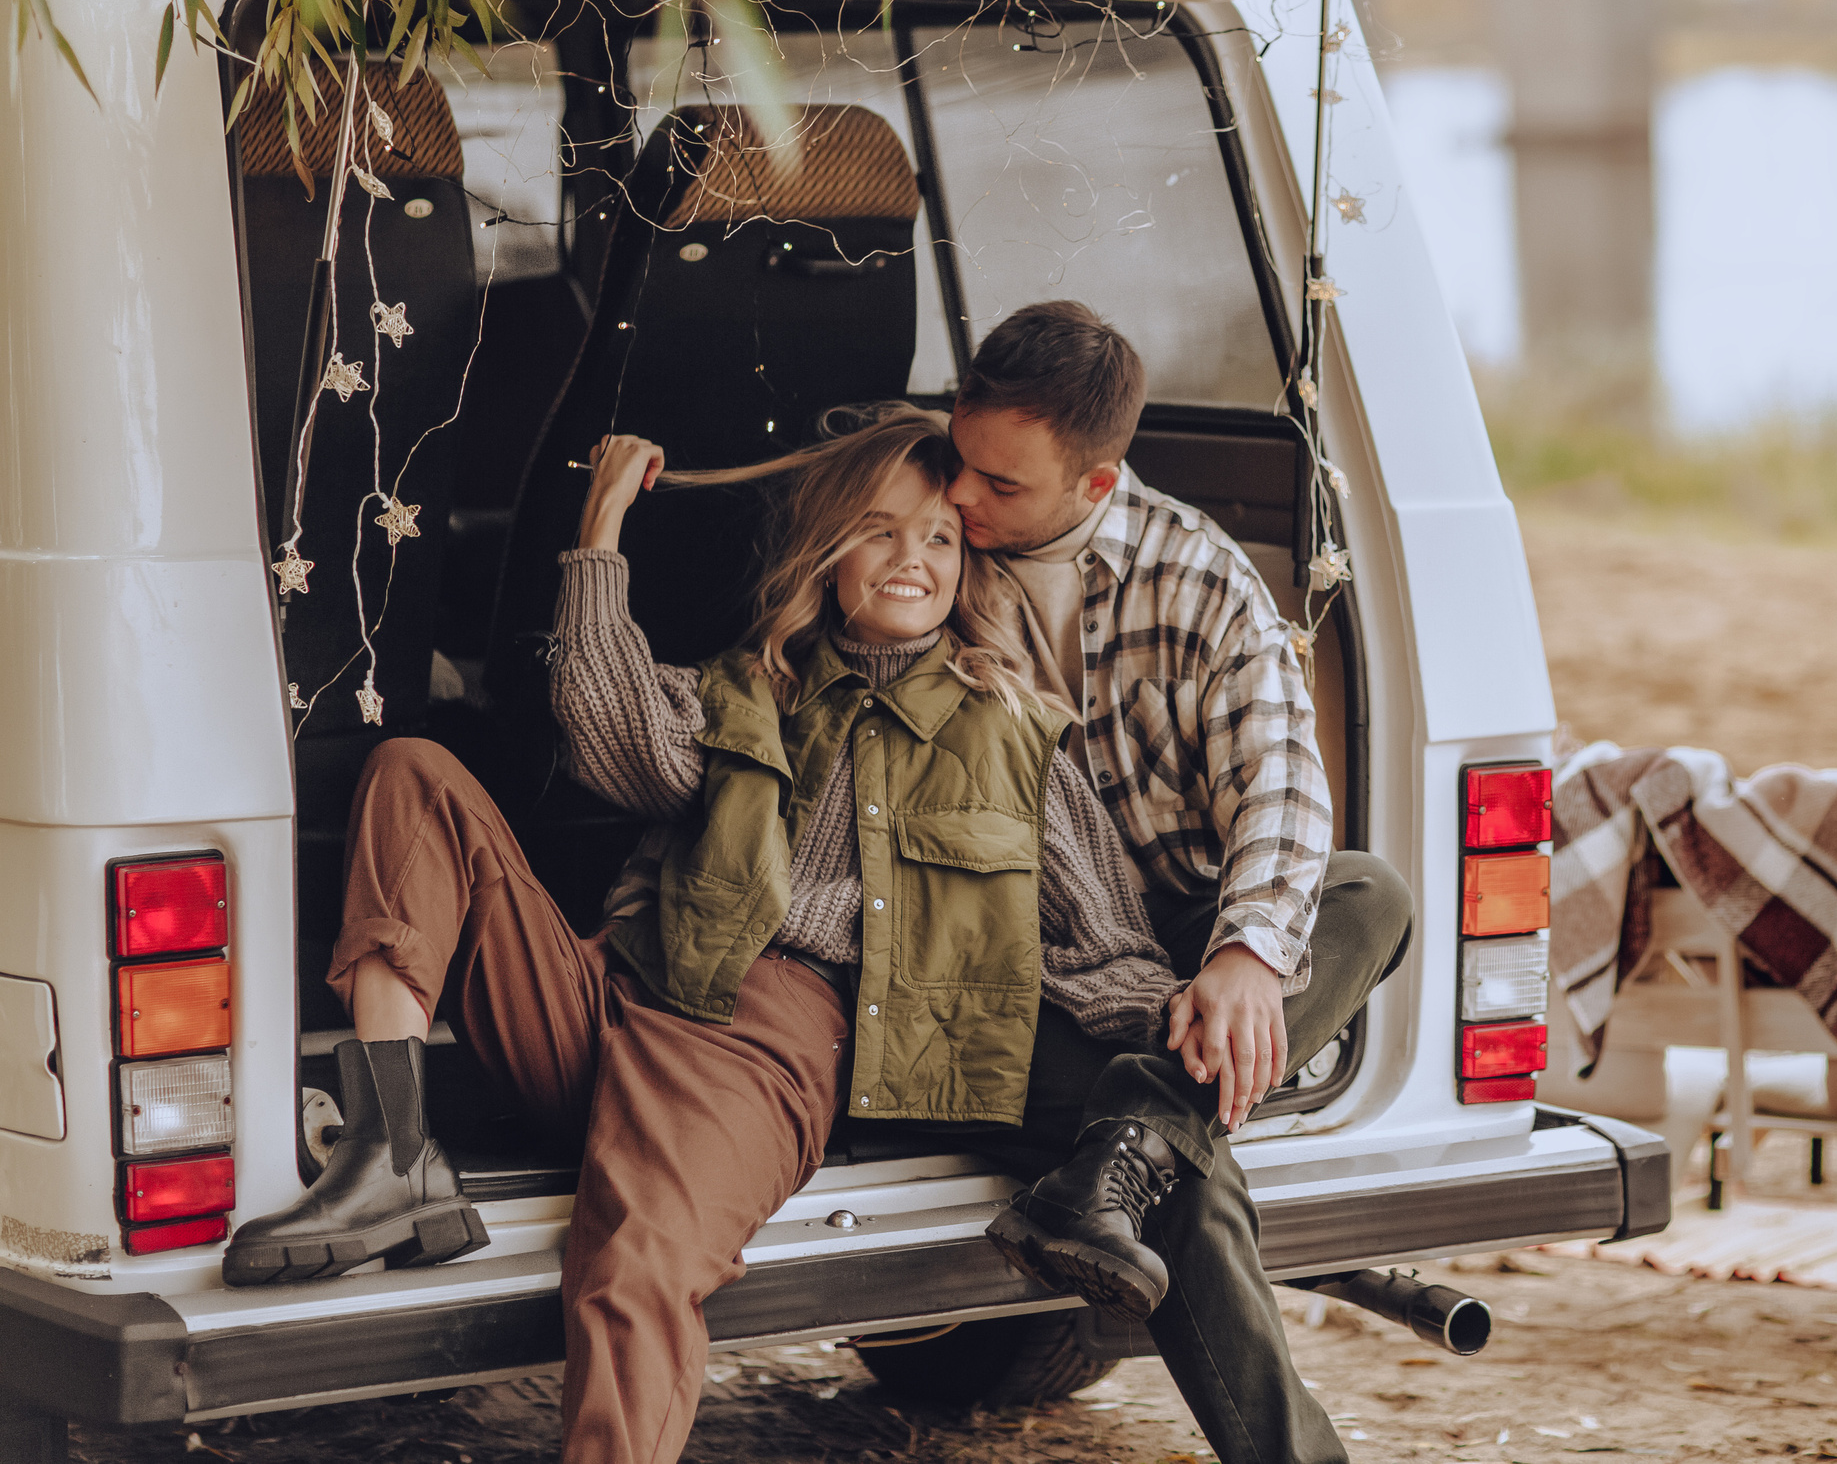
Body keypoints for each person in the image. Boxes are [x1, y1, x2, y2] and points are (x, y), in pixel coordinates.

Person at [222, 407, 1183, 1464]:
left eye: (940, 538)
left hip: (750, 1030)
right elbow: (600, 715)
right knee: (413, 773)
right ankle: (389, 1148)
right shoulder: (747, 690)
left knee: (632, 1271)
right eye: (880, 529)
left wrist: (1200, 1017)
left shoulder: (1009, 732)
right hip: (610, 990)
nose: (913, 558)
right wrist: (598, 532)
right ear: (828, 554)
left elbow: (1110, 945)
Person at [934, 300, 1415, 1464]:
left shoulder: (1198, 578)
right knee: (1181, 1180)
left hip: (1170, 922)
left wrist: (1246, 959)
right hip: (1012, 957)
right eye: (960, 461)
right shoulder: (926, 532)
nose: (959, 499)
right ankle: (1143, 1144)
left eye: (999, 485)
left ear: (1096, 485)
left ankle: (1132, 1139)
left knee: (1372, 896)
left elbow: (1283, 787)